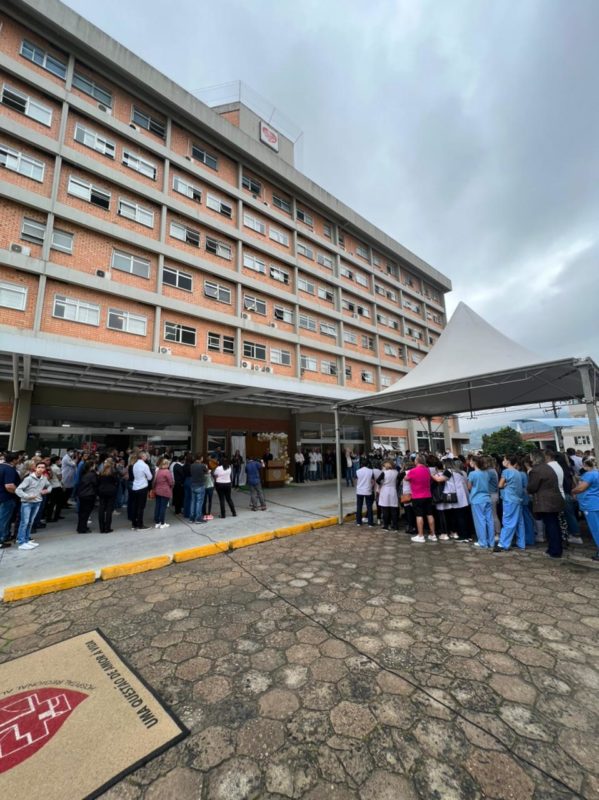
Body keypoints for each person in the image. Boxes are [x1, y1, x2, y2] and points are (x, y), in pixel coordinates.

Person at [527, 450, 564, 559]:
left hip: (545, 502)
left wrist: (528, 489)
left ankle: (554, 550)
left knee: (551, 526)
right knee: (554, 524)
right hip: (554, 500)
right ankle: (555, 548)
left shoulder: (536, 470)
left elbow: (532, 487)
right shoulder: (548, 467)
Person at [15, 461, 50, 549]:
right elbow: (18, 490)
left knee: (30, 522)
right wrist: (27, 496)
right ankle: (21, 542)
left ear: (45, 469)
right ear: (35, 468)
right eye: (39, 467)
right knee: (25, 522)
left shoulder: (44, 478)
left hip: (37, 502)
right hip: (27, 503)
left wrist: (47, 490)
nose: (41, 469)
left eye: (43, 467)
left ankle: (26, 540)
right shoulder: (29, 478)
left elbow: (49, 486)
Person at [495, 454, 526, 553]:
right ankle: (521, 543)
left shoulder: (506, 471)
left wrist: (505, 485)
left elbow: (500, 485)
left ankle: (503, 544)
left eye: (504, 459)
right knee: (519, 522)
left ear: (508, 461)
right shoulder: (518, 473)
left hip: (509, 499)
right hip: (518, 499)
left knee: (508, 521)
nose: (503, 461)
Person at [572, 457, 599, 560]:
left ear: (584, 464)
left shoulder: (589, 474)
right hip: (596, 502)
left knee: (596, 529)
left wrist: (573, 491)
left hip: (590, 504)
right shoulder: (597, 473)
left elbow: (581, 488)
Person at [407, 455, 438, 543]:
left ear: (417, 461)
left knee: (419, 516)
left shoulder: (413, 471)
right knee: (430, 514)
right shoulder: (427, 470)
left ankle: (420, 535)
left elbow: (406, 478)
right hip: (428, 495)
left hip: (417, 496)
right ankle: (433, 534)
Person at [467, 455, 495, 549]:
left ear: (474, 463)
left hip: (477, 499)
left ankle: (483, 542)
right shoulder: (486, 473)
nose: (470, 463)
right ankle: (491, 542)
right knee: (489, 520)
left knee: (480, 521)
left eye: (471, 461)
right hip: (487, 498)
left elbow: (469, 487)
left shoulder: (472, 474)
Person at [0, 452, 20, 548]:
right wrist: (20, 493)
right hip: (6, 497)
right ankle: (1, 539)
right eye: (18, 459)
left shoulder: (1, 467)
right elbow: (9, 486)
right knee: (3, 519)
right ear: (14, 460)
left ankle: (5, 535)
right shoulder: (10, 469)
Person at [130, 451, 152, 531]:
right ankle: (140, 525)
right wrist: (145, 477)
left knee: (135, 506)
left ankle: (134, 524)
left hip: (135, 486)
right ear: (142, 457)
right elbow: (150, 477)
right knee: (141, 507)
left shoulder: (135, 464)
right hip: (142, 487)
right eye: (145, 456)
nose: (146, 457)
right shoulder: (145, 465)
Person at [97, 459, 119, 533]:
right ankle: (107, 527)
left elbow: (98, 482)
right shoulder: (113, 473)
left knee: (101, 508)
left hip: (102, 491)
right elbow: (117, 481)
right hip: (111, 491)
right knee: (109, 509)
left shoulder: (101, 473)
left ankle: (101, 528)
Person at [376, 460, 399, 532]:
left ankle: (386, 525)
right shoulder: (396, 472)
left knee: (385, 509)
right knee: (393, 509)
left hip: (385, 490)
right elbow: (398, 481)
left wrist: (382, 483)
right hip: (393, 490)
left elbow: (377, 480)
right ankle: (395, 526)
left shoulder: (384, 473)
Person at [76, 460, 98, 533]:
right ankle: (83, 528)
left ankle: (80, 527)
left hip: (82, 494)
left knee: (82, 512)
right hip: (89, 494)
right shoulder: (92, 474)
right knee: (86, 512)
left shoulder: (84, 473)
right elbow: (95, 483)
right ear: (91, 466)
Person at [153, 458, 173, 528]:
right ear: (166, 464)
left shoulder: (158, 471)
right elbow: (171, 482)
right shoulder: (167, 471)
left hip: (157, 491)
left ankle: (157, 522)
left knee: (157, 506)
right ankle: (162, 523)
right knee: (163, 507)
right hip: (165, 491)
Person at [355, 459, 375, 527]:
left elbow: (356, 480)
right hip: (368, 490)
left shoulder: (358, 471)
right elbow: (373, 482)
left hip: (359, 491)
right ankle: (370, 523)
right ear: (368, 464)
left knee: (359, 506)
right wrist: (371, 487)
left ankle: (358, 522)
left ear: (361, 464)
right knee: (369, 507)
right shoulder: (371, 471)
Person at [44, 455, 64, 523]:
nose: (60, 461)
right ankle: (56, 516)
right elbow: (60, 478)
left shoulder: (49, 468)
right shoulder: (56, 468)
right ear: (56, 461)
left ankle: (48, 517)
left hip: (50, 486)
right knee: (58, 503)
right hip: (57, 486)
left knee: (51, 503)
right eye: (59, 460)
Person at [189, 454, 208, 524]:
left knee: (193, 502)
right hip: (200, 485)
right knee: (199, 502)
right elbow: (206, 472)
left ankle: (191, 518)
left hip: (193, 485)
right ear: (200, 458)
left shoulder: (192, 465)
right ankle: (198, 518)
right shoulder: (202, 465)